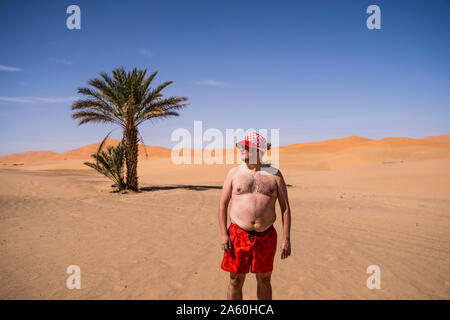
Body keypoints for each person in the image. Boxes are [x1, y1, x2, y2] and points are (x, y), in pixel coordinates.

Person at [218, 131, 291, 300]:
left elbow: (285, 207)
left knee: (264, 279)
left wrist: (286, 238)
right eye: (241, 147)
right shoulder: (234, 173)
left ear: (258, 150)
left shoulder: (275, 174)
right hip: (237, 234)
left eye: (246, 147)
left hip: (266, 236)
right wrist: (223, 234)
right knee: (235, 279)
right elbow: (222, 204)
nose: (242, 150)